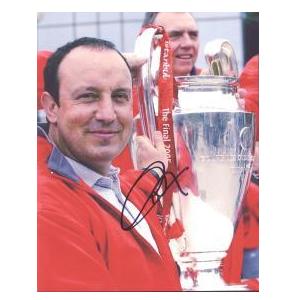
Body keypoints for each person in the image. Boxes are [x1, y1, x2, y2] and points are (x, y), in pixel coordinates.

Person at [37, 37, 181, 291]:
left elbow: (133, 187)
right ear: (51, 107)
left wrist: (155, 171)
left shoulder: (116, 187)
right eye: (88, 96)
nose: (107, 114)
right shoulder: (46, 211)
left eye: (119, 96)